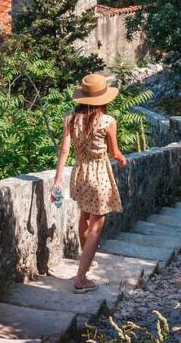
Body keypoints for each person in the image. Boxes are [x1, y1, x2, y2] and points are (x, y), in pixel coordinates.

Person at [51, 73, 128, 293]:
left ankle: (86, 258)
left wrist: (58, 180)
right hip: (98, 175)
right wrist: (122, 159)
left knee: (84, 217)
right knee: (96, 226)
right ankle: (80, 279)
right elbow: (114, 152)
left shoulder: (70, 119)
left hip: (79, 173)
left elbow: (64, 150)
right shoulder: (107, 121)